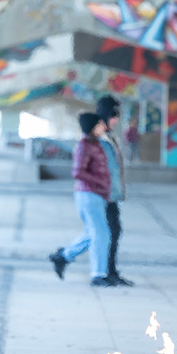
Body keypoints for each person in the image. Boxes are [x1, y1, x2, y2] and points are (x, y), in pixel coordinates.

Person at [48, 113, 113, 287]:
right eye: (100, 124)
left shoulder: (96, 145)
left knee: (96, 233)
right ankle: (98, 274)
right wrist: (99, 183)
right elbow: (78, 172)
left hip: (97, 195)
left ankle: (64, 256)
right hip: (88, 194)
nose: (103, 127)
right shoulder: (84, 146)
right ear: (92, 127)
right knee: (100, 233)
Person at [96, 95, 134, 287]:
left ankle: (109, 270)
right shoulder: (98, 137)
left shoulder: (110, 136)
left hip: (111, 194)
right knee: (107, 232)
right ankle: (105, 271)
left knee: (110, 231)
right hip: (102, 194)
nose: (116, 120)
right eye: (114, 116)